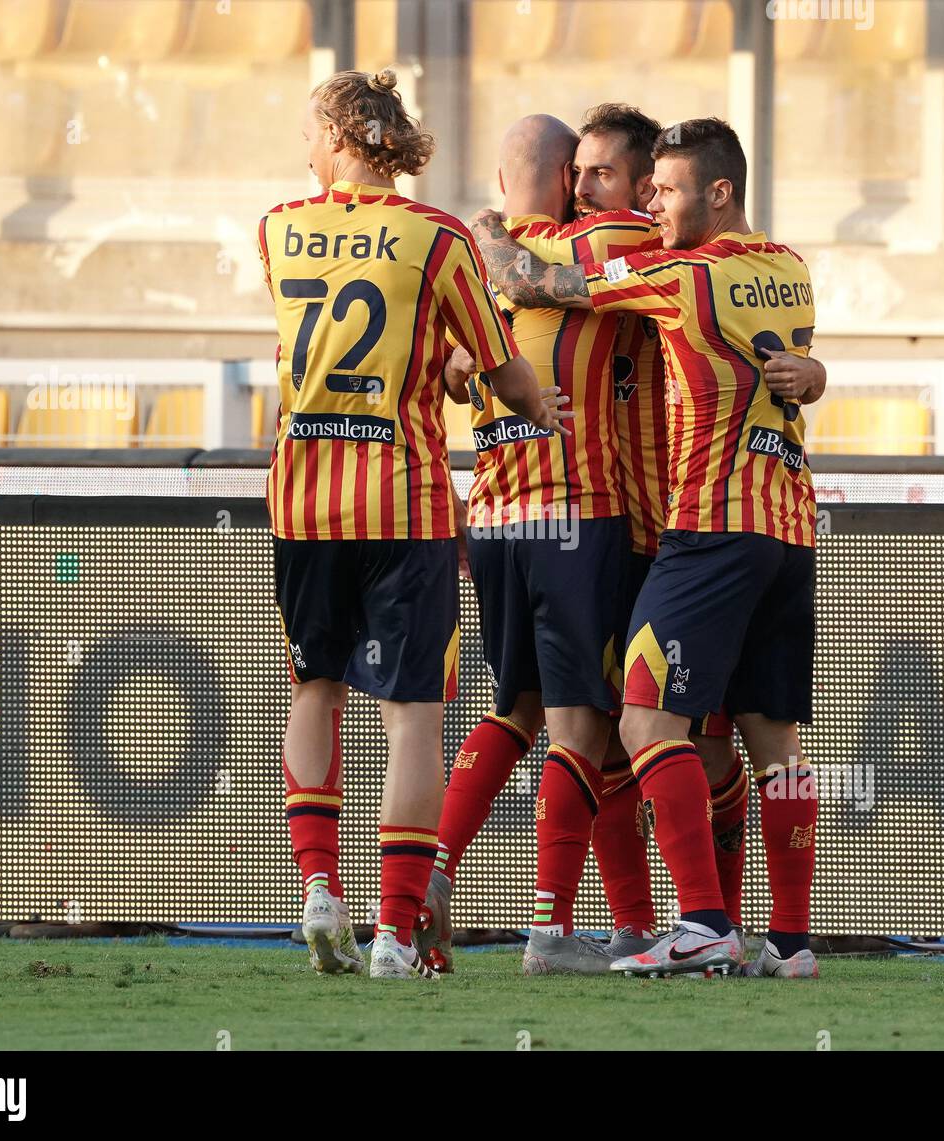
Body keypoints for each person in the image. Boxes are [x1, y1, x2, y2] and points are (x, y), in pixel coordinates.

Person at [470, 116, 821, 979]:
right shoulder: (789, 269)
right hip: (790, 525)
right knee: (772, 742)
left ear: (720, 192)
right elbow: (791, 368)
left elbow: (536, 280)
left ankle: (701, 920)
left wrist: (484, 226)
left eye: (665, 190)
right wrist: (816, 376)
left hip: (708, 524)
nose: (654, 204)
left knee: (639, 714)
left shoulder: (678, 274)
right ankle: (791, 940)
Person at [259, 69, 569, 980]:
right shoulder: (436, 237)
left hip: (304, 500)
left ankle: (320, 889)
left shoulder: (277, 228)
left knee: (313, 690)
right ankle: (397, 932)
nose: (304, 149)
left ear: (340, 135)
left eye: (311, 131)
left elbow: (339, 348)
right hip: (403, 503)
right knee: (413, 718)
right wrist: (536, 407)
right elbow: (499, 362)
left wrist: (443, 365)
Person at [421, 114, 662, 976]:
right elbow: (532, 280)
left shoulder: (467, 259)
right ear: (565, 175)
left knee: (517, 707)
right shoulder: (608, 235)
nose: (598, 186)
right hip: (582, 514)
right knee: (586, 724)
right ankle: (552, 930)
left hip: (492, 517)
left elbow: (452, 370)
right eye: (586, 171)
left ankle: (433, 878)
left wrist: (483, 227)